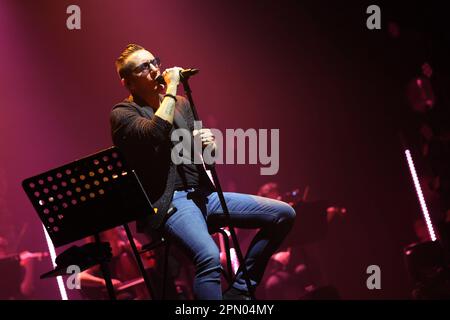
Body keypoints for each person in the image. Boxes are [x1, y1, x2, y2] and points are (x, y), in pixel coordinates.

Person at [110, 44, 296, 300]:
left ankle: (239, 292)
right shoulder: (123, 114)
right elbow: (155, 132)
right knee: (209, 257)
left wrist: (210, 146)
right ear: (128, 83)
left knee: (283, 214)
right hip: (169, 202)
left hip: (203, 195)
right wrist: (173, 87)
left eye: (155, 61)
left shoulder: (181, 105)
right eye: (145, 67)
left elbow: (207, 161)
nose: (155, 69)